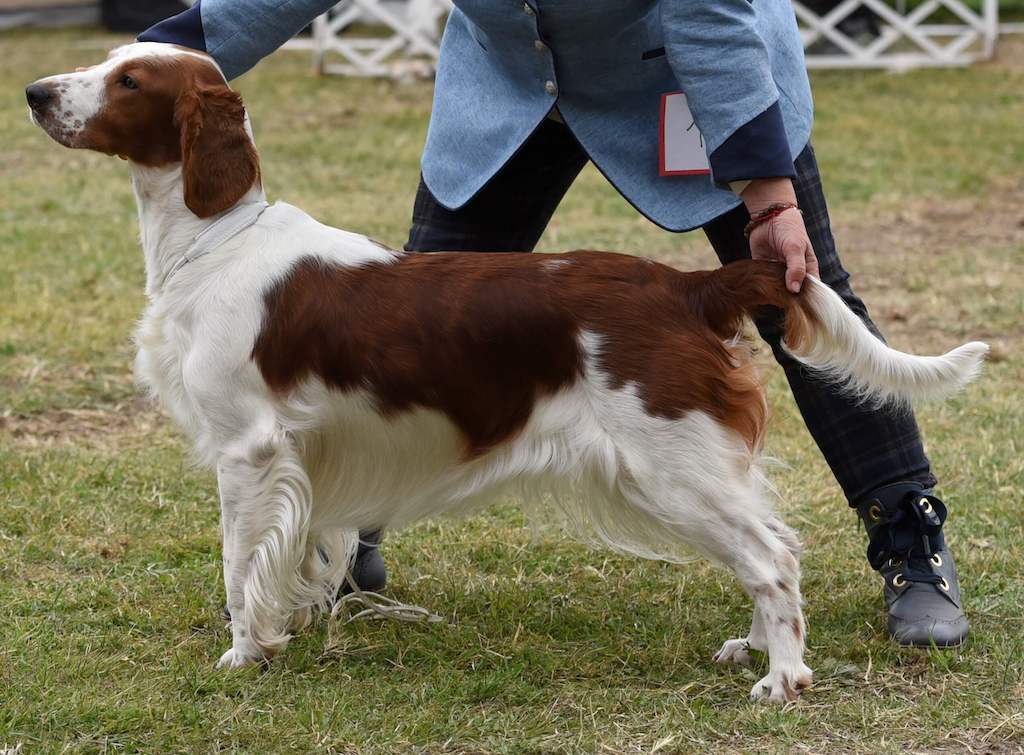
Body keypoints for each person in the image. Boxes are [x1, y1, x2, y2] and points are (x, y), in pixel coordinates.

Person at [139, 0, 968, 647]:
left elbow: (708, 21)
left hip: (693, 81)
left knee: (798, 287)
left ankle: (909, 536)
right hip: (509, 89)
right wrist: (139, 62)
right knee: (404, 326)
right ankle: (343, 543)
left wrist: (768, 195)